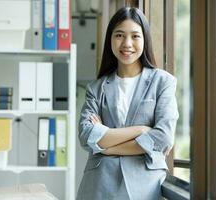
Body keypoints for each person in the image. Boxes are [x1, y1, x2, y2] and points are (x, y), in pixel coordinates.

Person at [77, 7, 179, 200]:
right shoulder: (96, 88)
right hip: (99, 185)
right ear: (110, 39)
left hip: (145, 185)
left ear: (145, 39)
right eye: (119, 35)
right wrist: (140, 130)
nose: (127, 43)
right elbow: (86, 136)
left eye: (135, 36)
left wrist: (108, 146)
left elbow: (164, 137)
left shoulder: (163, 82)